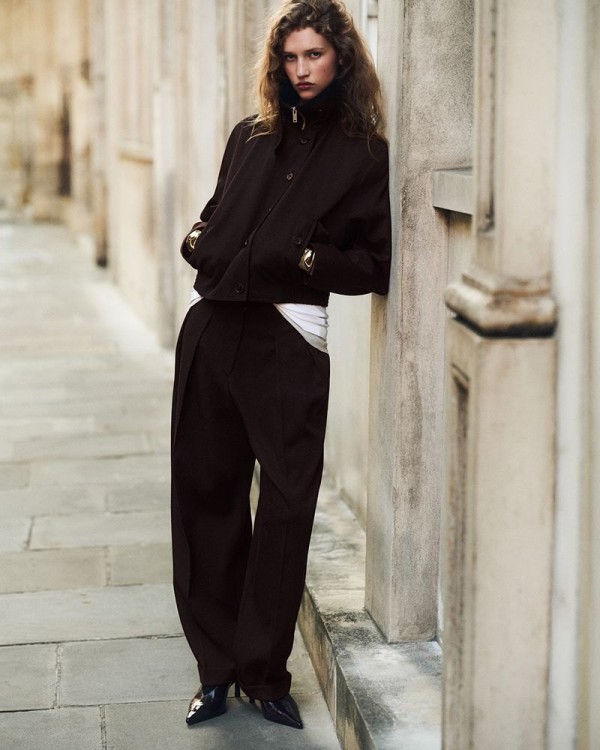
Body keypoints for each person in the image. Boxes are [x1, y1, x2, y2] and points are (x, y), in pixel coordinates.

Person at [171, 0, 391, 731]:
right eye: (290, 57)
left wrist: (304, 258)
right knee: (206, 497)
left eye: (314, 56)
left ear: (341, 60)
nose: (301, 70)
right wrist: (199, 243)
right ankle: (215, 672)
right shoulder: (250, 136)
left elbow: (374, 264)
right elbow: (211, 215)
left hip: (289, 338)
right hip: (212, 329)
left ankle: (265, 673)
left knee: (289, 504)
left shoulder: (364, 154)